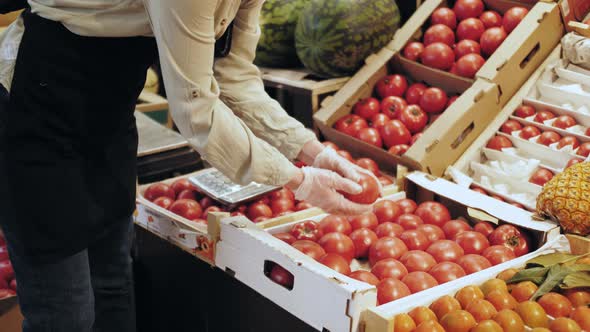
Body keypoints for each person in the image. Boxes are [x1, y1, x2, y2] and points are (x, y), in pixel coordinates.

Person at [0, 1, 380, 331]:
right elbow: (196, 111)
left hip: (107, 121)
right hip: (38, 117)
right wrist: (298, 180)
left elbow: (234, 75)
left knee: (113, 283)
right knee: (66, 315)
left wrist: (314, 151)